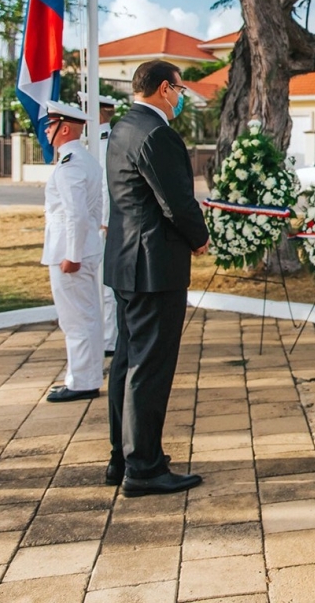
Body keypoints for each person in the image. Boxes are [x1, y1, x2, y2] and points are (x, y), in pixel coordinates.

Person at [104, 60, 208, 496]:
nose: (181, 98)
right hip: (154, 266)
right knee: (149, 368)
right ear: (165, 89)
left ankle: (123, 457)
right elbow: (176, 201)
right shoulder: (156, 133)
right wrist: (199, 238)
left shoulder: (123, 127)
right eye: (180, 90)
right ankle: (144, 468)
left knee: (127, 362)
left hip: (126, 263)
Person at [41, 100, 106, 403]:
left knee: (76, 320)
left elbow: (76, 214)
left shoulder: (70, 165)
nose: (46, 130)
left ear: (64, 129)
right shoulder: (86, 160)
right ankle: (87, 376)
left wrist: (73, 255)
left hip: (70, 253)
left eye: (50, 125)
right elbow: (96, 209)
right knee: (87, 316)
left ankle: (81, 382)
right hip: (84, 247)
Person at [79, 92, 120, 355]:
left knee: (105, 286)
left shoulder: (105, 142)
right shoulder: (94, 141)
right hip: (94, 224)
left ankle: (108, 339)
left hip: (103, 225)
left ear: (98, 113)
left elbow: (106, 185)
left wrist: (104, 221)